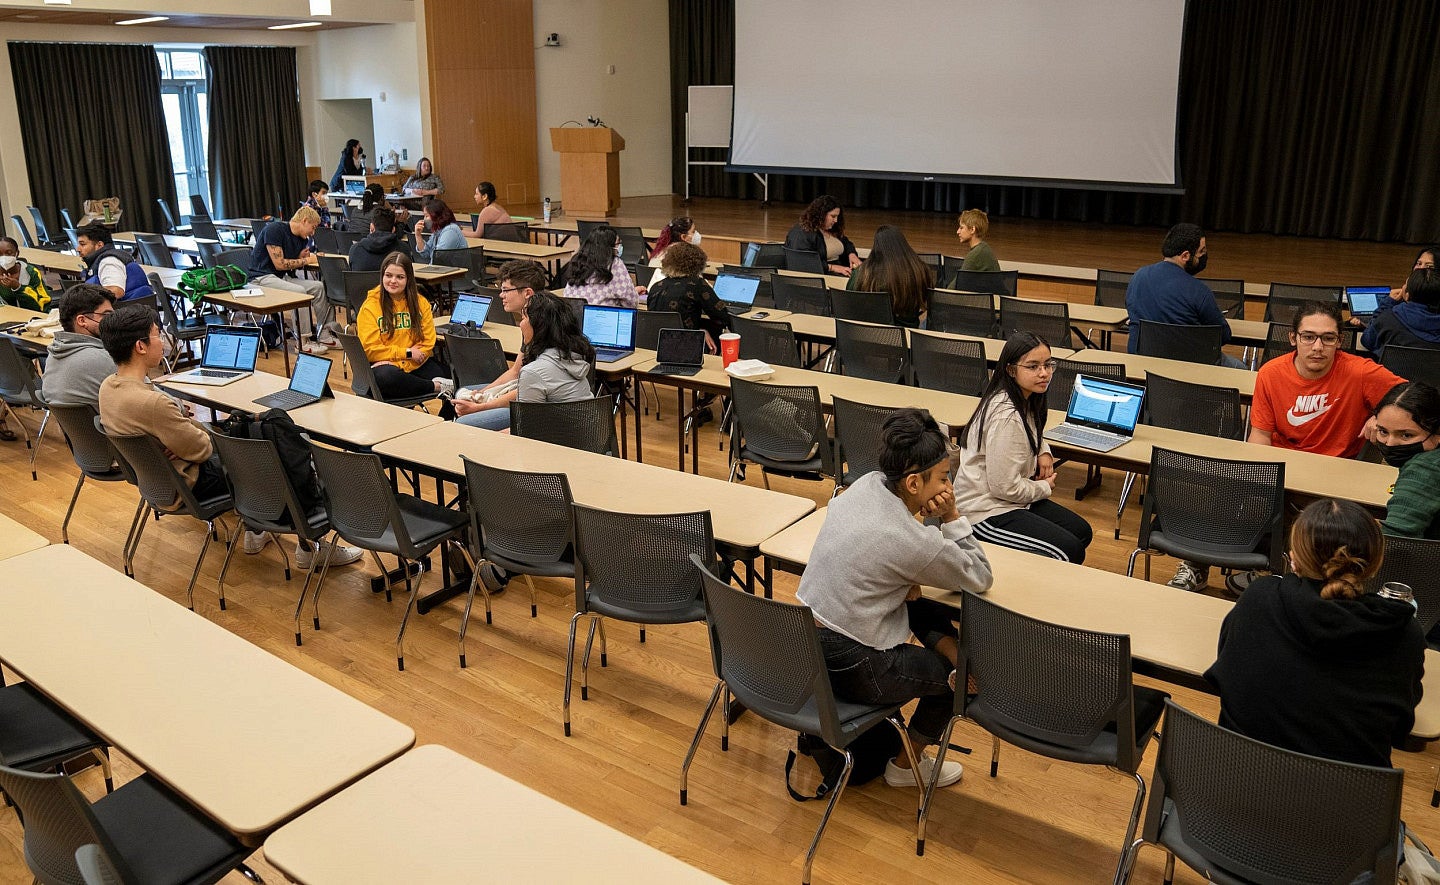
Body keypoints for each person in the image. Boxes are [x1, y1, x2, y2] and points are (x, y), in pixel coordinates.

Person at [797, 407, 993, 788]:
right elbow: (980, 575)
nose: (949, 486)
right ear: (915, 483)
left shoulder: (867, 484)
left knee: (916, 599)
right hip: (856, 662)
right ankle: (905, 768)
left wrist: (903, 582)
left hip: (808, 645)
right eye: (943, 477)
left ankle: (951, 653)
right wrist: (951, 514)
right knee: (964, 683)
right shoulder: (909, 542)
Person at [1178, 300, 1407, 595]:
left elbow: (1412, 397)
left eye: (1328, 338)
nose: (1317, 347)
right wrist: (1253, 476)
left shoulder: (1361, 372)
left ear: (1340, 341)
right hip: (1283, 465)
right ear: (1293, 338)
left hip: (1335, 475)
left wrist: (1381, 416)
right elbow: (1260, 434)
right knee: (1227, 485)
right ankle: (1196, 566)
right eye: (1308, 337)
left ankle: (1278, 574)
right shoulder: (1272, 372)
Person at [1204, 498, 1424, 768]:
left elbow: (1226, 671)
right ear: (1374, 563)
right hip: (1346, 804)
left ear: (1294, 559)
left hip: (1230, 793)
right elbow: (1400, 729)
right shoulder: (1403, 632)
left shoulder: (1258, 599)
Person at [954, 332, 1094, 563]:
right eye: (1033, 366)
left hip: (1010, 501)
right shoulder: (1007, 417)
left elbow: (1029, 431)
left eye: (1048, 364)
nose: (1044, 373)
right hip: (984, 512)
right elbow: (1004, 488)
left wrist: (1043, 450)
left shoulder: (1022, 397)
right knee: (1069, 550)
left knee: (1081, 531)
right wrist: (1043, 487)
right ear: (1010, 370)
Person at [97, 303, 228, 504]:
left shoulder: (107, 386)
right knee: (263, 462)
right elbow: (202, 450)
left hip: (156, 482)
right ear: (140, 346)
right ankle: (259, 528)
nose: (162, 341)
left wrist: (177, 441)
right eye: (158, 335)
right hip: (187, 483)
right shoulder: (153, 403)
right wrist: (190, 439)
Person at [1123, 222, 1245, 368]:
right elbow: (1223, 336)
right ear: (1186, 255)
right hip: (1189, 367)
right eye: (1202, 251)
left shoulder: (1138, 276)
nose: (1204, 256)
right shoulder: (1199, 291)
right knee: (1240, 367)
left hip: (1142, 362)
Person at [452, 260, 544, 430]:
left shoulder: (542, 328)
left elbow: (528, 392)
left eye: (505, 290)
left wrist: (480, 406)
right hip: (522, 392)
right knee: (463, 393)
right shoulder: (527, 324)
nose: (501, 295)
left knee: (464, 423)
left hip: (535, 407)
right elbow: (516, 371)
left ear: (527, 293)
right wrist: (481, 393)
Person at [356, 252, 453, 413]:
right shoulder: (370, 307)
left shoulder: (420, 303)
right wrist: (406, 353)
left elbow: (428, 342)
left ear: (408, 279)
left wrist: (402, 364)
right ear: (382, 276)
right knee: (386, 377)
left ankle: (446, 421)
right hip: (385, 368)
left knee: (458, 380)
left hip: (414, 363)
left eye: (400, 277)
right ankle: (435, 387)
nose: (393, 281)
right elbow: (370, 349)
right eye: (388, 275)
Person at [248, 207, 336, 354]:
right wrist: (307, 260)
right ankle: (303, 342)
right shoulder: (274, 230)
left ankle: (325, 333)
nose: (313, 233)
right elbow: (280, 264)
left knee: (318, 287)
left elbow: (291, 263)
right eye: (312, 228)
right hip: (261, 278)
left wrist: (301, 257)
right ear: (304, 221)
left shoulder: (302, 239)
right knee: (300, 292)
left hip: (281, 277)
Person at [1374, 381, 1440, 539]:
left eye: (1406, 435)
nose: (1390, 443)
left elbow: (1396, 541)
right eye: (1383, 431)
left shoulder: (1424, 468)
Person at [645, 242, 730, 352]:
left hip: (658, 346)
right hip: (687, 347)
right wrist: (700, 330)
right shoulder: (697, 285)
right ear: (697, 265)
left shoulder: (656, 286)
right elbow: (722, 317)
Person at [41, 283, 114, 408]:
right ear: (82, 320)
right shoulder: (102, 359)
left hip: (77, 427)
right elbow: (150, 400)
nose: (113, 320)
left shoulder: (53, 354)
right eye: (106, 315)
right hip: (108, 426)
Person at [848, 224, 933, 327]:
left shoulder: (861, 273)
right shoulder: (919, 270)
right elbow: (927, 299)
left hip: (865, 334)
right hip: (906, 335)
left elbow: (850, 300)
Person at [1360, 266, 1440, 359]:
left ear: (1407, 295)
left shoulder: (1388, 319)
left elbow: (1367, 341)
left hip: (1390, 373)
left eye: (1405, 284)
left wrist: (1386, 304)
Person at [563, 226, 641, 308]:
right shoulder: (614, 264)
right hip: (601, 317)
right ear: (609, 246)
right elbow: (631, 303)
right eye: (618, 243)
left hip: (572, 314)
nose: (620, 247)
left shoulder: (578, 261)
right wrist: (634, 293)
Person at [75, 222, 153, 303]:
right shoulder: (104, 258)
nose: (78, 249)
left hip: (131, 312)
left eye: (82, 244)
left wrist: (84, 297)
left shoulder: (109, 261)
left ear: (99, 245)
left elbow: (116, 292)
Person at [784, 195, 860, 276]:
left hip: (841, 270)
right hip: (823, 275)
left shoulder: (831, 229)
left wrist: (852, 254)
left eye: (837, 217)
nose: (836, 220)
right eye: (833, 216)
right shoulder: (802, 233)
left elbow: (846, 243)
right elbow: (803, 261)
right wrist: (831, 267)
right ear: (821, 214)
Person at [347, 206, 413, 273]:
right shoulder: (403, 249)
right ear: (393, 230)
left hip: (363, 283)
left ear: (372, 227)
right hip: (390, 283)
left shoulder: (355, 249)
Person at [412, 198, 469, 262]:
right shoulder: (437, 230)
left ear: (436, 216)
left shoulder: (450, 231)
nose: (424, 219)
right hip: (442, 269)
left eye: (426, 216)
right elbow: (425, 253)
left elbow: (438, 259)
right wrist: (418, 235)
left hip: (454, 270)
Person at [954, 209, 1000, 273]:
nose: (957, 232)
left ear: (972, 229)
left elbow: (959, 281)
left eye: (961, 228)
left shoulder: (975, 255)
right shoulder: (984, 248)